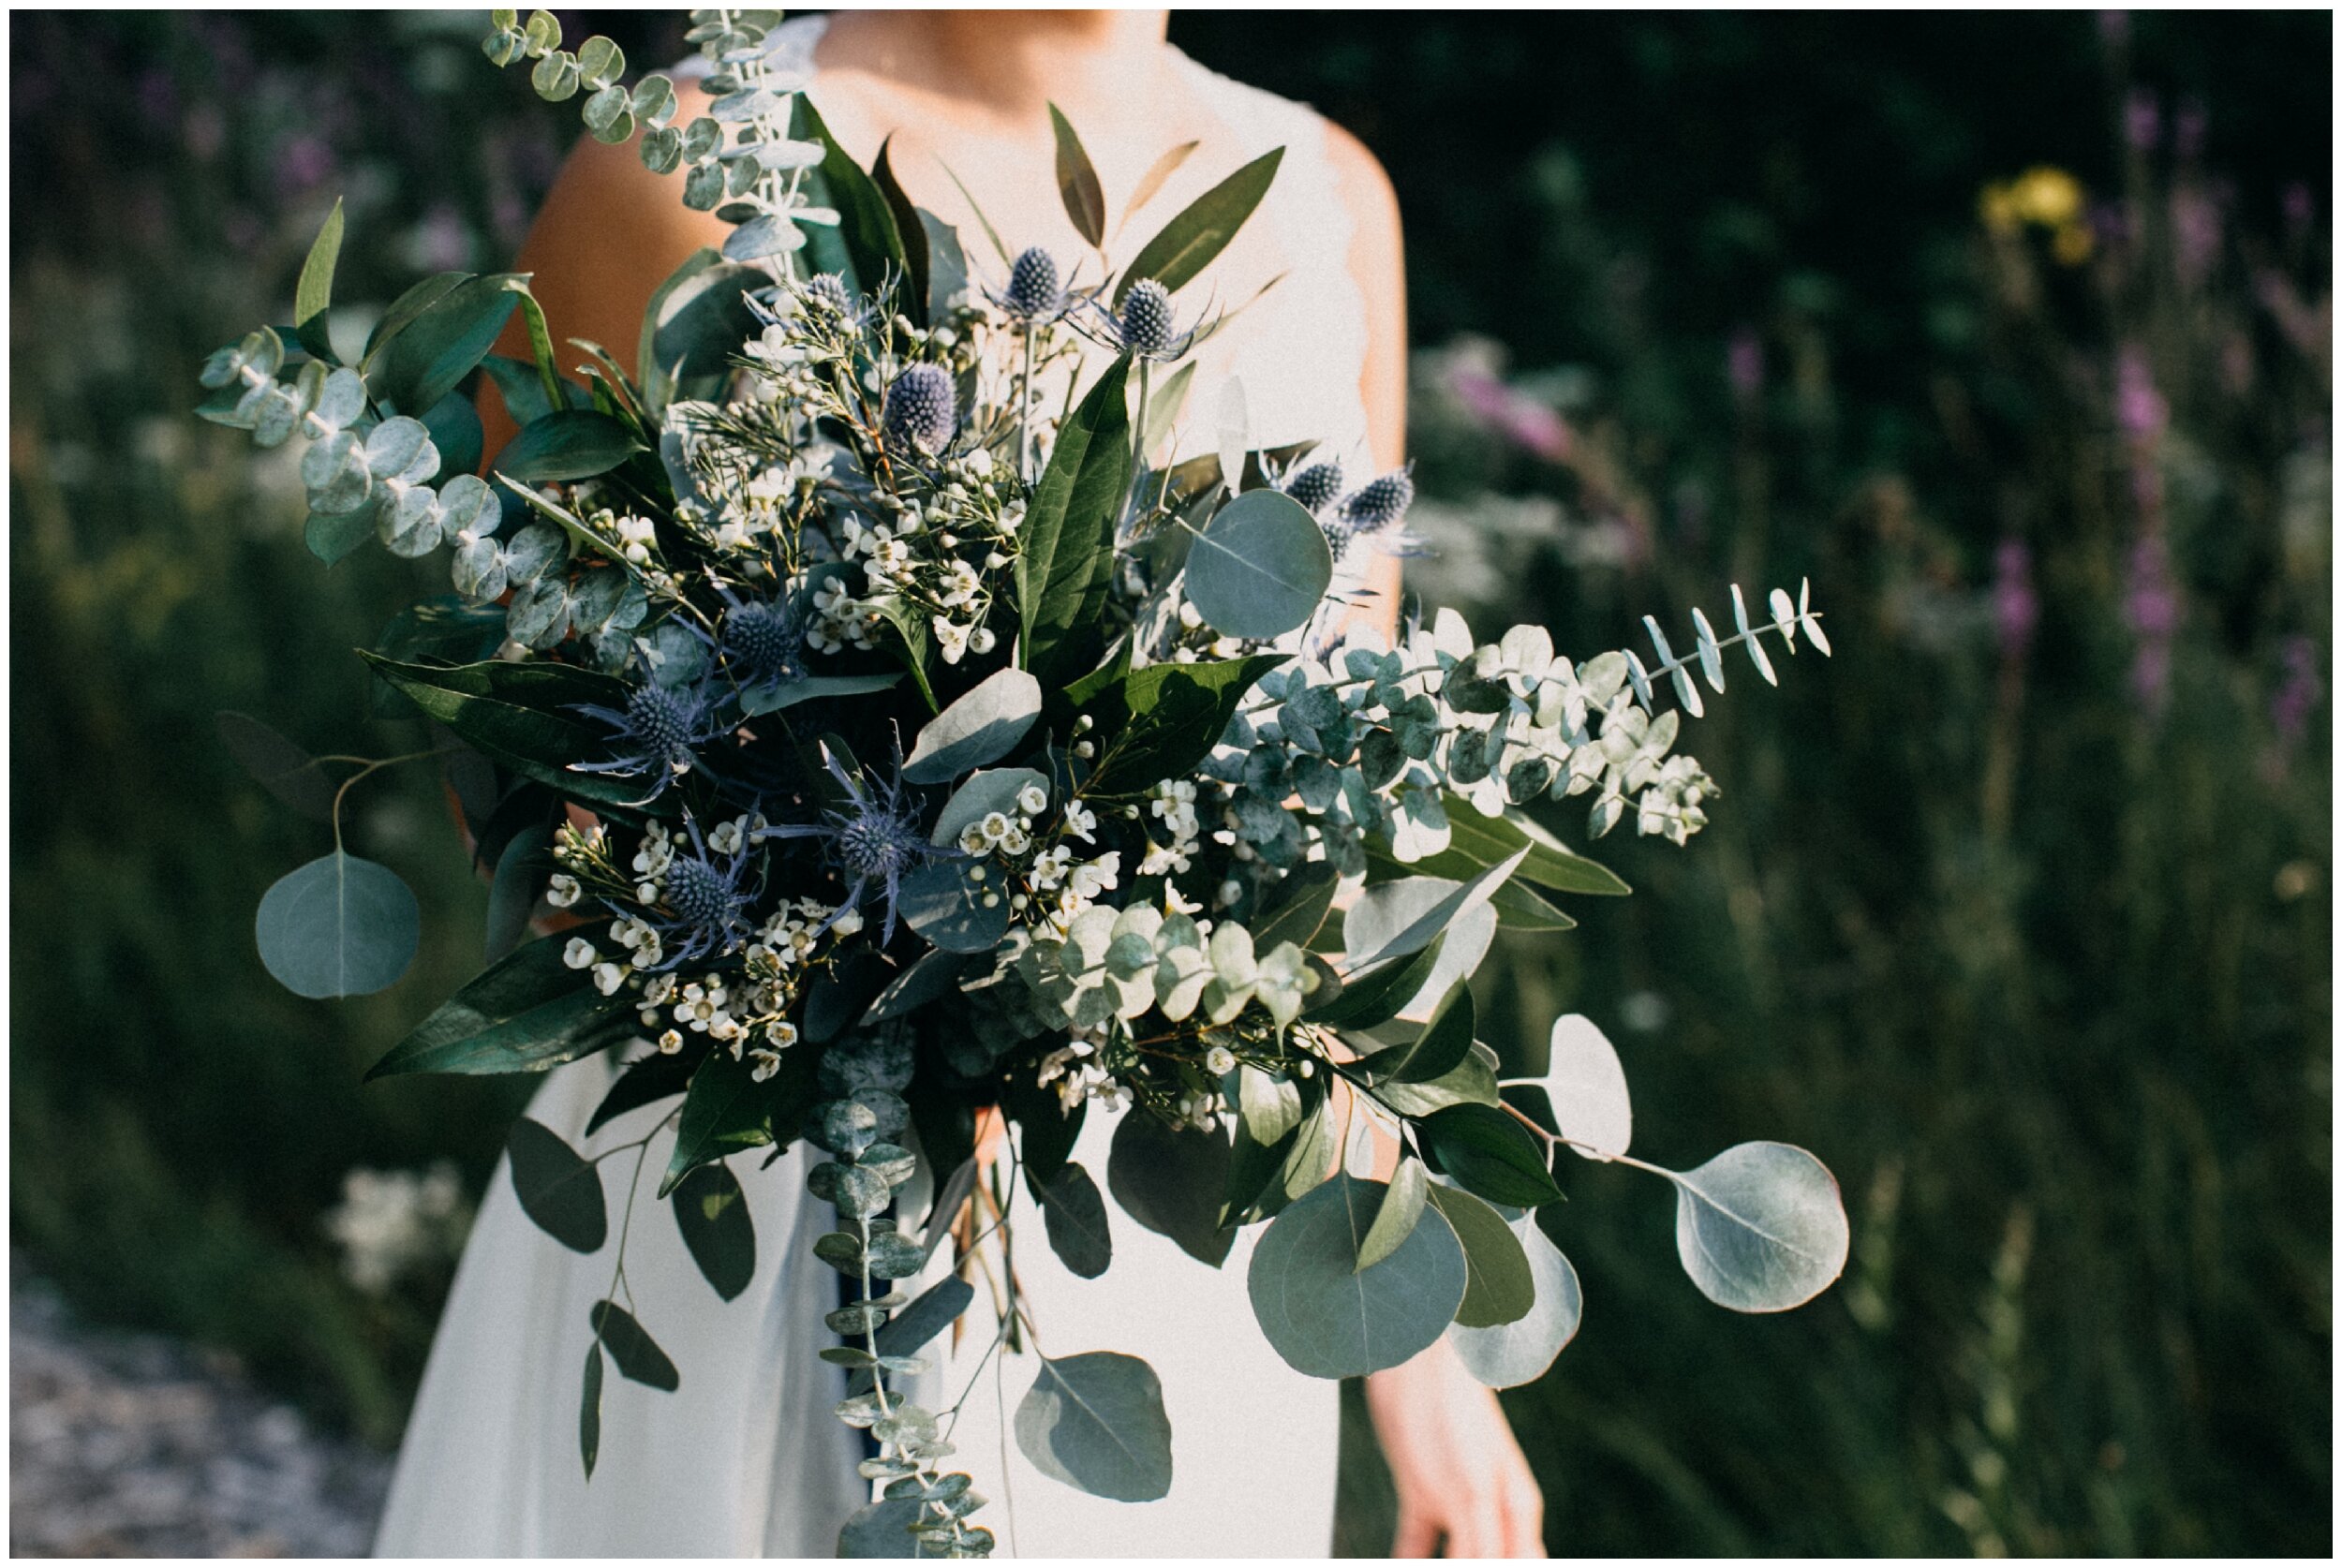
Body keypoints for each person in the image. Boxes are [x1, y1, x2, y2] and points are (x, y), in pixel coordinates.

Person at [378, 10, 1545, 1558]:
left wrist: (1407, 1334)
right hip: (766, 1203)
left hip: (1167, 1242)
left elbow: (1336, 826)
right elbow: (528, 749)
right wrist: (859, 971)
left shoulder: (1327, 198)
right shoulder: (686, 162)